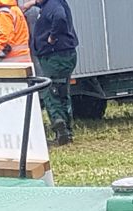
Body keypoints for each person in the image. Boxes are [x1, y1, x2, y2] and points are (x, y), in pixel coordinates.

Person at [23, 0, 76, 144]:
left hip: (55, 56)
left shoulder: (53, 6)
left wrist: (53, 37)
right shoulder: (52, 3)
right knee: (62, 91)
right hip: (61, 54)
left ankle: (60, 127)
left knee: (51, 91)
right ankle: (66, 131)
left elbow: (59, 17)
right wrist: (33, 3)